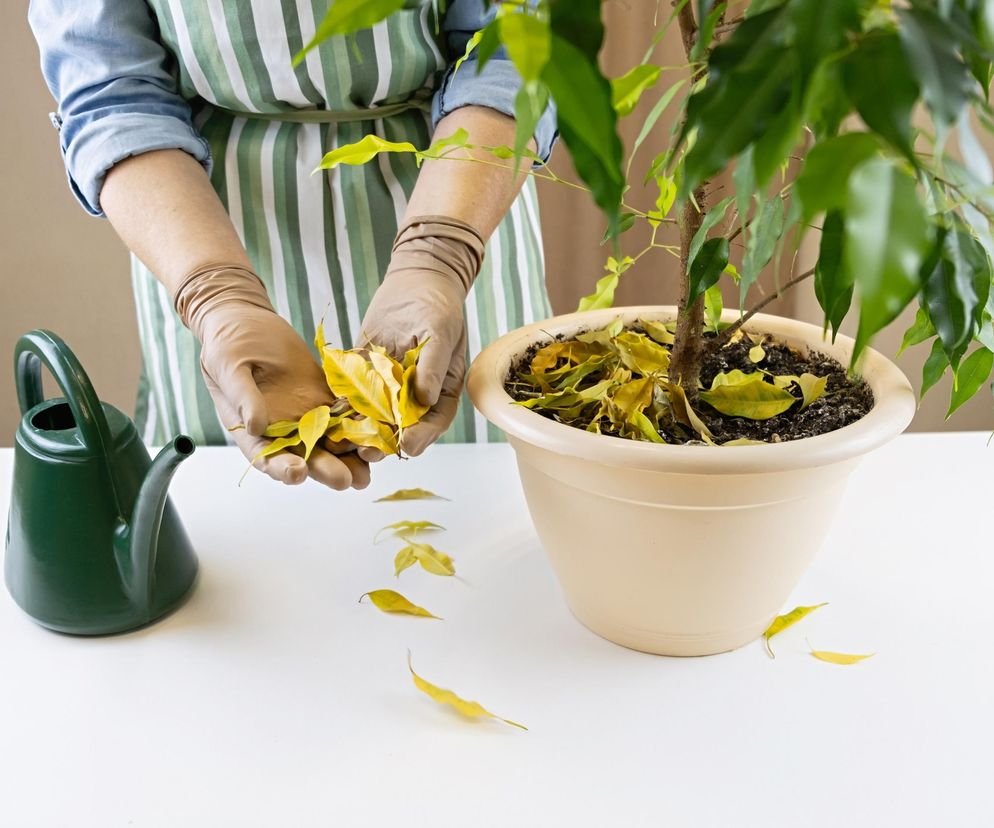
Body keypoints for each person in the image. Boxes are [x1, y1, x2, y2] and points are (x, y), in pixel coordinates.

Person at [29, 0, 555, 490]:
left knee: (483, 509)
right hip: (201, 220)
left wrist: (439, 255)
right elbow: (111, 94)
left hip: (454, 193)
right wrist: (217, 296)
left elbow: (513, 44)